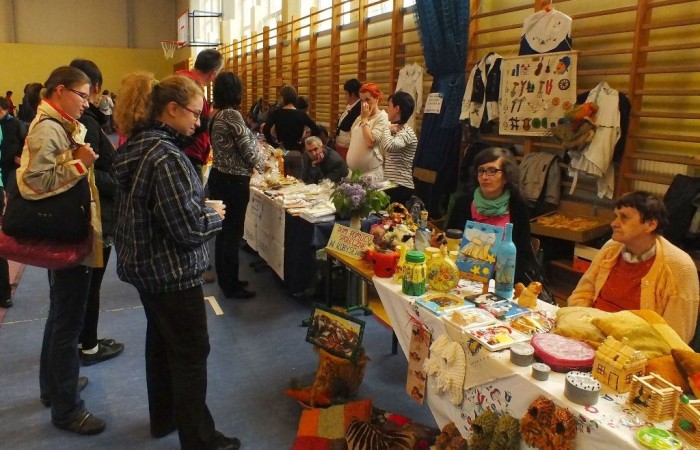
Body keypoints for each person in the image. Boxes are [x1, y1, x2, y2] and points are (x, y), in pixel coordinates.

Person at [113, 72, 240, 450]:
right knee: (190, 354)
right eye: (194, 114)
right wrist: (213, 215)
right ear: (171, 109)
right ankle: (199, 440)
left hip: (145, 266)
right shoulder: (166, 156)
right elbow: (186, 230)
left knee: (161, 343)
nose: (198, 122)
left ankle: (165, 417)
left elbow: (160, 210)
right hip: (170, 270)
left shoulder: (140, 145)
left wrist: (197, 206)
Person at [20, 66, 104, 434]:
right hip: (65, 234)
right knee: (68, 322)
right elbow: (34, 181)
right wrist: (80, 162)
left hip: (67, 231)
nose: (87, 102)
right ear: (59, 91)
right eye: (82, 95)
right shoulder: (49, 128)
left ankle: (54, 387)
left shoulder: (59, 125)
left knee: (61, 317)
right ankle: (67, 409)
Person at [568, 191, 700, 343]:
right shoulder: (611, 248)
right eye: (616, 216)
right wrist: (585, 326)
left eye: (624, 217)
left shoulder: (680, 267)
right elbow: (582, 294)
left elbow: (675, 339)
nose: (614, 223)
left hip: (636, 347)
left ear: (650, 224)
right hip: (591, 330)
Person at [68, 59, 124, 366]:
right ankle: (87, 345)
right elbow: (86, 172)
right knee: (89, 284)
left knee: (86, 285)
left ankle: (85, 341)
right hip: (96, 213)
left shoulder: (83, 121)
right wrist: (119, 182)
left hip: (94, 209)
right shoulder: (84, 123)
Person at [208, 71, 264, 300]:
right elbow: (249, 152)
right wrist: (262, 161)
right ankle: (231, 286)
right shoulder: (232, 115)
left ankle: (227, 280)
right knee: (232, 234)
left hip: (219, 177)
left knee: (223, 234)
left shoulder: (216, 114)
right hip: (233, 181)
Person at [445, 147, 536, 285]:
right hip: (462, 279)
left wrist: (501, 280)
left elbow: (523, 255)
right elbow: (450, 243)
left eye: (492, 171)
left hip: (503, 281)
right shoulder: (463, 203)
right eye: (481, 170)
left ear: (506, 176)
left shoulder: (517, 206)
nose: (485, 177)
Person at [176, 48, 223, 285]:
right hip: (190, 153)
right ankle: (197, 265)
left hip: (189, 152)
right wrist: (209, 118)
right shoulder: (193, 89)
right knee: (193, 208)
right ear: (213, 74)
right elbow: (195, 126)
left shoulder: (182, 79)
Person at [263, 84, 319, 178]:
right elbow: (316, 129)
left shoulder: (276, 113)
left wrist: (273, 144)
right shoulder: (301, 114)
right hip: (296, 151)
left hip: (281, 151)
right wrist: (303, 144)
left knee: (279, 180)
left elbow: (266, 129)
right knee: (297, 182)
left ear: (283, 98)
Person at [346, 82, 390, 183]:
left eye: (367, 100)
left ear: (376, 99)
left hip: (371, 174)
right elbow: (352, 136)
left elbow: (370, 142)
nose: (364, 104)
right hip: (355, 173)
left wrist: (365, 119)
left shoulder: (382, 117)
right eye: (362, 101)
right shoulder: (360, 117)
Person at [380, 91, 417, 205]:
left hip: (401, 186)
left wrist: (386, 129)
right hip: (391, 184)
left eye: (389, 106)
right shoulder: (395, 130)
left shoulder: (406, 132)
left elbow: (390, 146)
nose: (387, 110)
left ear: (397, 108)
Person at [0, 96, 26, 187]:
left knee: (9, 187)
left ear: (6, 110)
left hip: (12, 163)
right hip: (2, 162)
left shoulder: (15, 123)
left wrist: (20, 155)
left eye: (0, 111)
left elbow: (24, 140)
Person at [334, 78, 362, 160]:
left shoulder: (359, 109)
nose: (345, 96)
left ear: (352, 94)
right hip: (341, 144)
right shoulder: (350, 106)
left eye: (346, 93)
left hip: (348, 147)